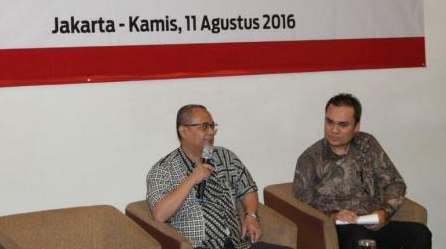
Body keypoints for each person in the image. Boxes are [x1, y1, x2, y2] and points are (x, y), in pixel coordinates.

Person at [293, 93, 432, 249]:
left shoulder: (367, 145)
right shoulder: (310, 159)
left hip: (372, 224)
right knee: (361, 239)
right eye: (329, 122)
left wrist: (384, 213)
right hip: (338, 229)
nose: (334, 130)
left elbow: (396, 183)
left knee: (420, 233)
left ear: (356, 127)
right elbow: (301, 208)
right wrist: (333, 216)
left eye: (343, 125)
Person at [147, 104, 287, 249]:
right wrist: (192, 179)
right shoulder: (164, 169)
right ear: (183, 131)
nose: (211, 132)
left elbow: (248, 188)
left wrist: (250, 215)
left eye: (212, 126)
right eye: (204, 127)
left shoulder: (225, 156)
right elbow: (159, 215)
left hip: (238, 244)